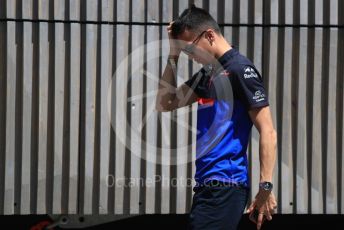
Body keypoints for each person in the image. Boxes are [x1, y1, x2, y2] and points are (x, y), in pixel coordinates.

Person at [155, 4, 277, 230]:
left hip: (225, 186)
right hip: (207, 186)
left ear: (209, 35)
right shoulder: (208, 75)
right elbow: (165, 102)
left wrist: (265, 187)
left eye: (190, 49)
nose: (190, 56)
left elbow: (268, 131)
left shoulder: (240, 70)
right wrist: (174, 52)